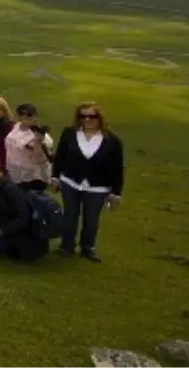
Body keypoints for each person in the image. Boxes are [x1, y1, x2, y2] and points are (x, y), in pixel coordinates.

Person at [51, 102, 124, 262]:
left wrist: (116, 193)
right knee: (70, 216)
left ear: (100, 118)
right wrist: (55, 176)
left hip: (97, 187)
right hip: (70, 182)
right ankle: (67, 245)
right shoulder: (70, 133)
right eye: (83, 116)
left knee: (91, 219)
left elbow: (118, 168)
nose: (87, 119)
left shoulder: (112, 140)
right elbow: (60, 156)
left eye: (92, 116)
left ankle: (88, 247)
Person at [4, 103, 54, 190]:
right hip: (15, 173)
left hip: (32, 178)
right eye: (21, 114)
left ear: (35, 116)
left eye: (29, 114)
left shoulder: (38, 134)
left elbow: (43, 157)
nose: (25, 117)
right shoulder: (16, 127)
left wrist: (38, 142)